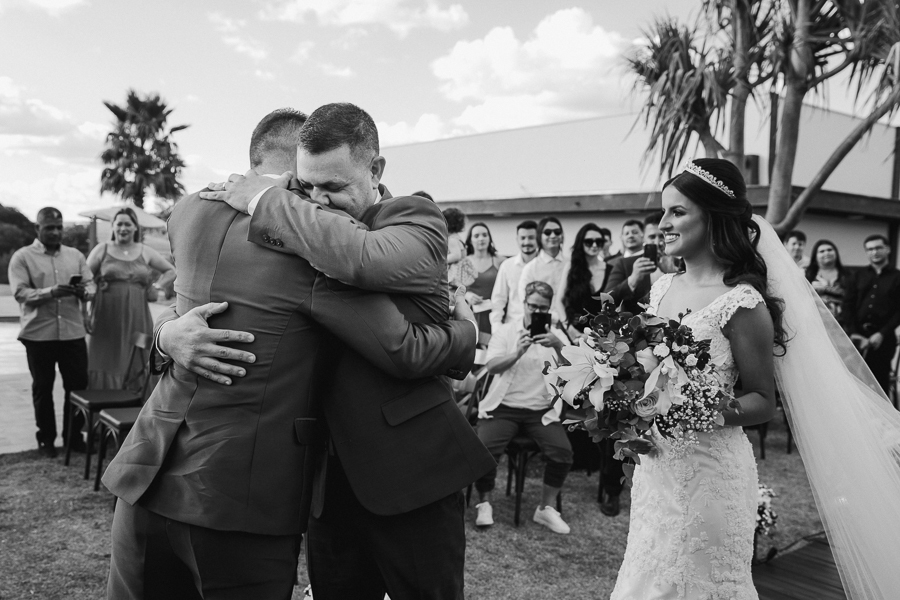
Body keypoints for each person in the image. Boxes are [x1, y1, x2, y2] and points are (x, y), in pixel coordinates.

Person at [102, 108, 486, 600]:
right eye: (308, 188)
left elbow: (201, 297)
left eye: (330, 187)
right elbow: (401, 347)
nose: (317, 202)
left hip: (153, 466)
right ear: (291, 173)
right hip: (242, 488)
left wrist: (166, 334)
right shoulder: (302, 245)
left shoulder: (191, 209)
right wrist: (466, 333)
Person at [611, 159, 783, 598]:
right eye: (663, 212)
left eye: (677, 212)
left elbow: (764, 399)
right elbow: (647, 371)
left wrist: (705, 409)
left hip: (710, 473)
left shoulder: (741, 302)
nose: (663, 224)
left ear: (713, 218)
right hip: (657, 467)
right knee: (647, 576)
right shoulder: (662, 288)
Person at [473, 281, 573, 534]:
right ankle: (484, 502)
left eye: (542, 308)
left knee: (562, 452)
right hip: (503, 407)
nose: (536, 312)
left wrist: (559, 345)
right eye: (532, 306)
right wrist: (517, 352)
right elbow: (491, 367)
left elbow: (574, 371)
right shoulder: (506, 332)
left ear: (549, 308)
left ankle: (545, 509)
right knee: (484, 450)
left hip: (541, 410)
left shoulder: (556, 336)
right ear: (524, 304)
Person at [8, 207, 94, 457]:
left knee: (77, 387)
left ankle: (73, 437)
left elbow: (91, 285)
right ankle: (46, 439)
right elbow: (20, 293)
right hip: (38, 335)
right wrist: (51, 292)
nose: (56, 232)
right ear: (38, 229)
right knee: (43, 388)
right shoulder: (22, 257)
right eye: (50, 227)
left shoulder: (75, 255)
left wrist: (84, 292)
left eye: (59, 227)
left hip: (72, 333)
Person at [85, 207, 175, 389]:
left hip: (138, 320)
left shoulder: (145, 251)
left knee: (140, 352)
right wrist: (89, 295)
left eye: (128, 224)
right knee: (106, 357)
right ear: (112, 226)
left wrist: (156, 286)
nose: (123, 228)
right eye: (119, 224)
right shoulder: (101, 250)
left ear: (135, 227)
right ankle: (104, 403)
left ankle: (137, 405)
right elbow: (85, 278)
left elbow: (171, 271)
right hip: (106, 319)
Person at [841, 234, 900, 394]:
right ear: (866, 252)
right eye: (870, 249)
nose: (874, 252)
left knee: (880, 384)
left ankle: (882, 419)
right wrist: (853, 333)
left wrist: (882, 333)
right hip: (857, 338)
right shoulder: (857, 276)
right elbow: (848, 306)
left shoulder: (897, 277)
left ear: (887, 249)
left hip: (883, 339)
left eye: (878, 248)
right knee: (855, 384)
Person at [604, 211, 672, 316]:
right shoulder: (625, 264)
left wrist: (672, 272)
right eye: (652, 237)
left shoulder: (679, 263)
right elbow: (606, 301)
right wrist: (633, 279)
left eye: (661, 236)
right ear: (643, 237)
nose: (657, 242)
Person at [558, 223, 613, 337]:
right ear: (581, 243)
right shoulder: (571, 267)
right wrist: (569, 329)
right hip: (575, 334)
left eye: (599, 241)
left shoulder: (610, 269)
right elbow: (559, 301)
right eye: (589, 241)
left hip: (602, 336)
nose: (594, 245)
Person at [489, 220, 538, 332]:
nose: (527, 242)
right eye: (523, 238)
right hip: (513, 327)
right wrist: (497, 328)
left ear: (538, 239)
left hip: (543, 328)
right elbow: (498, 300)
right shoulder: (507, 265)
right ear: (517, 239)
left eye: (531, 237)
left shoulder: (544, 266)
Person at [459, 222, 504, 334]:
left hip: (496, 315)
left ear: (489, 238)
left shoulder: (501, 261)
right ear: (470, 240)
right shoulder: (463, 263)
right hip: (472, 315)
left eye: (485, 235)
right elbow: (452, 289)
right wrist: (467, 295)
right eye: (476, 236)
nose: (481, 238)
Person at [517, 217, 567, 315]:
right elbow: (524, 299)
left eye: (557, 232)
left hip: (568, 321)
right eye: (547, 232)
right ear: (539, 236)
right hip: (541, 319)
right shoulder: (531, 268)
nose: (553, 236)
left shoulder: (570, 264)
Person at [804, 239, 849, 319]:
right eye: (822, 251)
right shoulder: (807, 274)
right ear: (815, 256)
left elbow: (850, 296)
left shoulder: (847, 274)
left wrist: (825, 289)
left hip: (843, 321)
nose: (826, 253)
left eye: (829, 250)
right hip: (815, 320)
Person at [443, 207, 471, 287]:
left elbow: (456, 255)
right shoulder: (457, 237)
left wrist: (441, 260)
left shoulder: (452, 239)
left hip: (456, 272)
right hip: (462, 272)